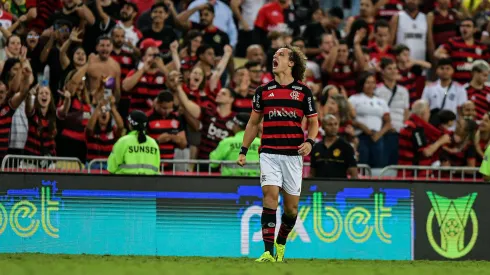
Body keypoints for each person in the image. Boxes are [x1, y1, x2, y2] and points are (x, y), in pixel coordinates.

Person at [237, 45, 319, 262]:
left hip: (293, 155)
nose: (275, 57)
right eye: (274, 55)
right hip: (269, 152)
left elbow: (313, 122)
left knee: (291, 210)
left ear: (291, 63)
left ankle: (280, 243)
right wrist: (243, 150)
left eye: (281, 55)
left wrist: (310, 142)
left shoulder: (303, 92)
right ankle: (267, 252)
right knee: (270, 196)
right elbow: (253, 123)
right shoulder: (262, 91)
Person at [107, 110, 160, 175]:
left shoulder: (122, 142)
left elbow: (111, 168)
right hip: (149, 183)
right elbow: (156, 169)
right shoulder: (153, 143)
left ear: (130, 124)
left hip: (125, 183)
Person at [310, 114, 358, 179]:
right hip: (320, 187)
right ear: (323, 127)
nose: (333, 127)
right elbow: (312, 173)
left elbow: (354, 174)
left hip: (339, 187)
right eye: (330, 124)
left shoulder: (346, 147)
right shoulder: (316, 147)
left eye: (336, 124)